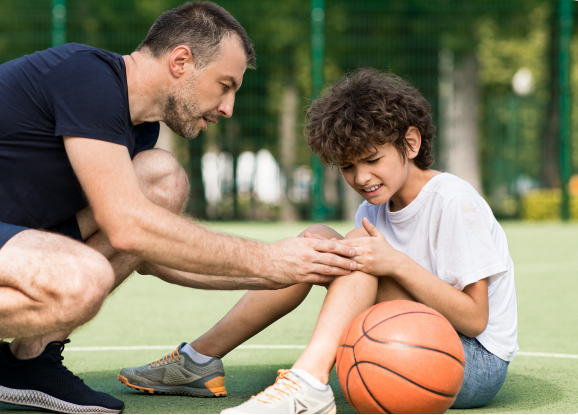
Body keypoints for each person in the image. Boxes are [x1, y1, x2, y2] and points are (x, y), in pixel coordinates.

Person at [0, 3, 358, 414]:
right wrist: (266, 259)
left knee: (160, 179)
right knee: (83, 277)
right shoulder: (86, 76)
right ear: (181, 62)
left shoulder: (137, 128)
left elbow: (151, 252)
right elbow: (127, 226)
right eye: (225, 85)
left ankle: (28, 360)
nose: (227, 107)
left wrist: (287, 270)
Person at [119, 68, 518, 414]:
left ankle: (309, 381)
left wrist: (394, 262)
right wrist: (380, 259)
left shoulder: (452, 199)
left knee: (357, 251)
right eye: (348, 166)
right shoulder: (373, 210)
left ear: (410, 144)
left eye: (372, 159)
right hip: (410, 338)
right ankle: (199, 360)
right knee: (318, 241)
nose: (361, 177)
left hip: (470, 361)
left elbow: (474, 319)